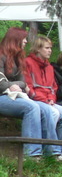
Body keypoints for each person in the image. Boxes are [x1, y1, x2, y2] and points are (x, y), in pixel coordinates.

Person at [23, 35, 62, 161]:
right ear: (38, 49)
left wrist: (51, 98)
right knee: (53, 113)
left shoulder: (49, 67)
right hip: (35, 99)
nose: (50, 51)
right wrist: (44, 99)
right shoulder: (27, 62)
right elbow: (28, 86)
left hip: (48, 100)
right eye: (47, 48)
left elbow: (53, 87)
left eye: (51, 48)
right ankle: (49, 151)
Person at [0, 27, 50, 156]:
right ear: (15, 39)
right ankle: (32, 152)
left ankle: (49, 152)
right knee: (31, 107)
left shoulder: (18, 58)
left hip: (13, 96)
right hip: (2, 97)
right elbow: (1, 84)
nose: (26, 41)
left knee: (44, 109)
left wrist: (14, 85)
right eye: (24, 39)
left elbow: (23, 83)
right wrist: (12, 85)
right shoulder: (1, 56)